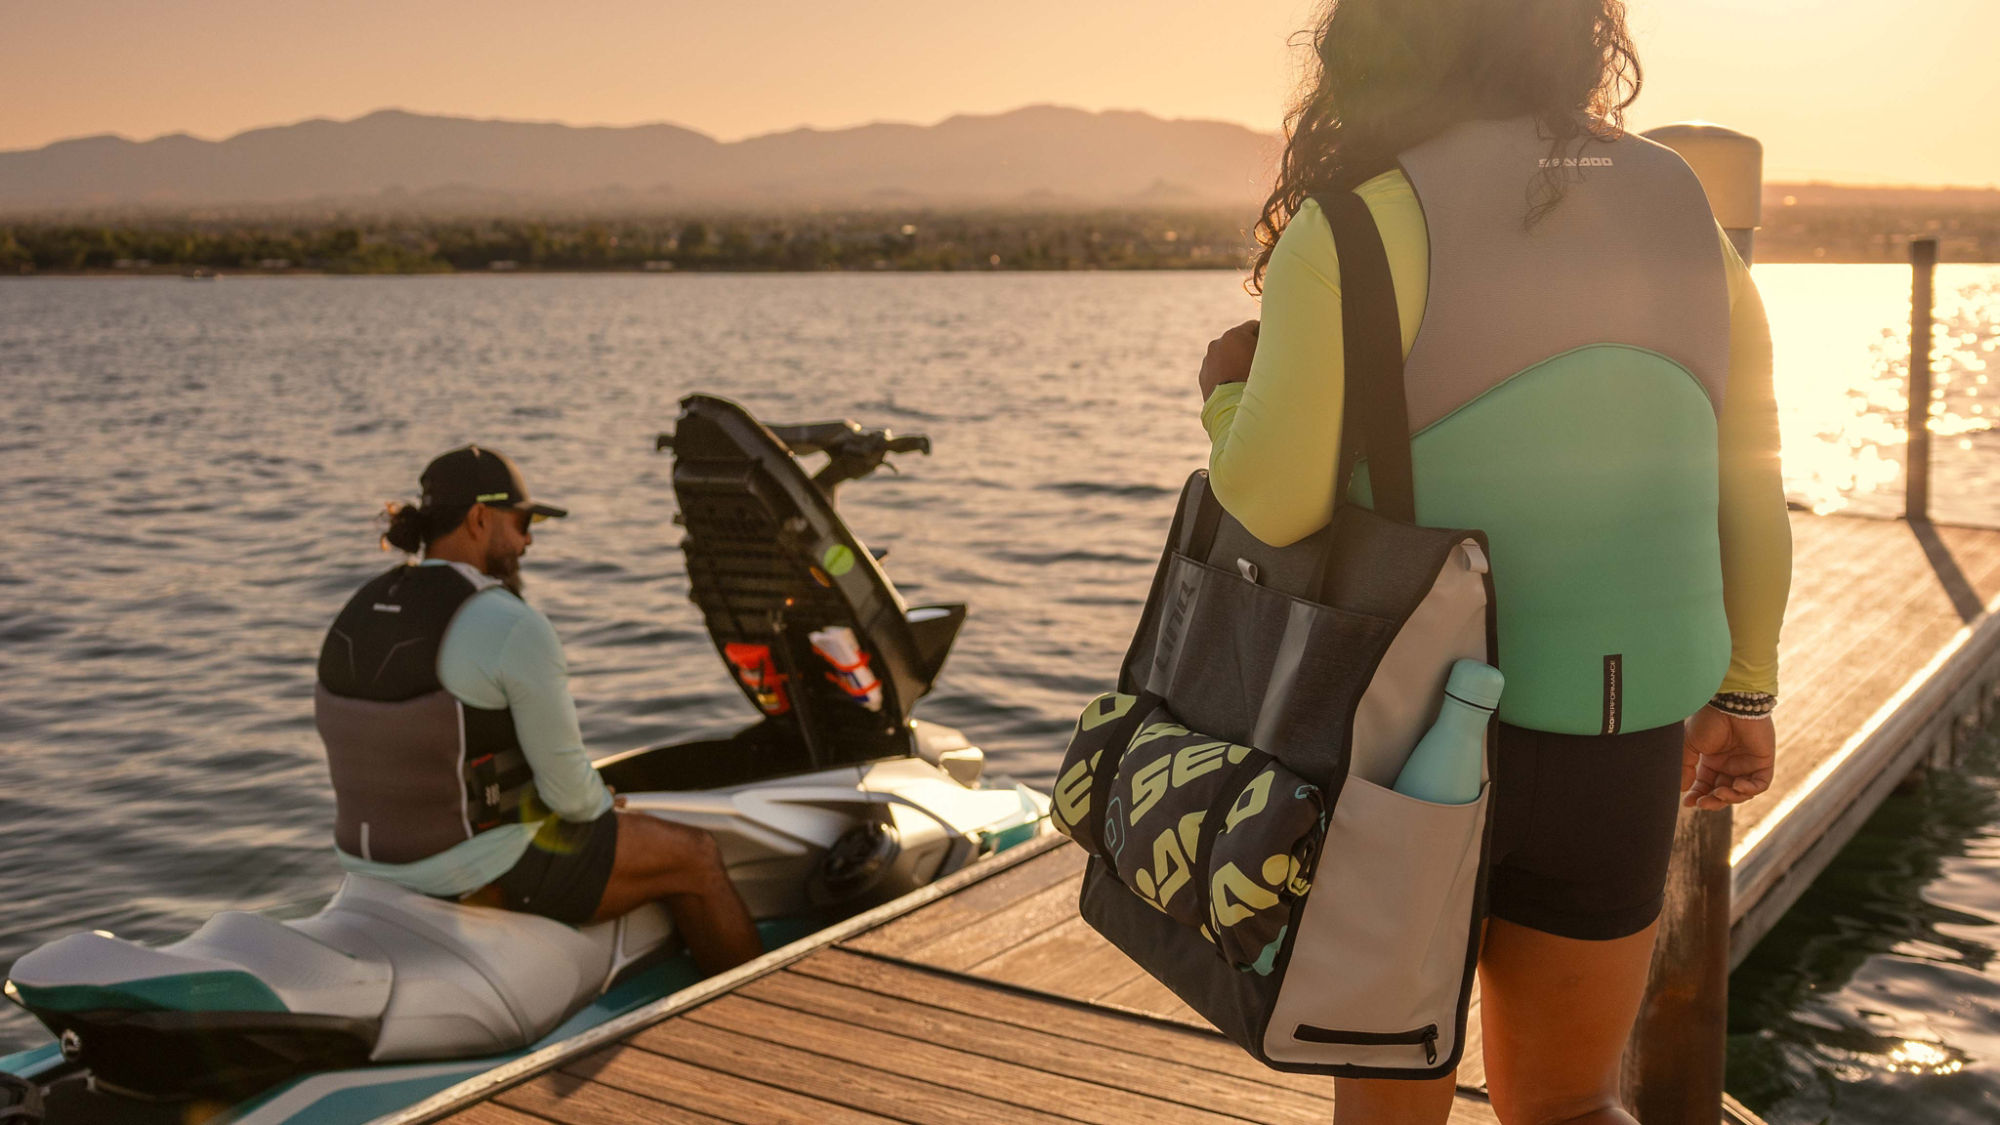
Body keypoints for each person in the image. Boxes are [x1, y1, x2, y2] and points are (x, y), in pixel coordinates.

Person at [1196, 2, 1790, 1122]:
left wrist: (1226, 392)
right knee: (1569, 1105)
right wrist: (1743, 688)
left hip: (1406, 743)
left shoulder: (1355, 224)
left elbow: (1270, 506)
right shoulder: (1683, 211)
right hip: (1620, 736)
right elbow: (1746, 480)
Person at [313, 444, 762, 974]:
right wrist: (600, 802)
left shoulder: (360, 607)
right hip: (474, 870)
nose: (528, 540)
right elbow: (573, 799)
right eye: (523, 522)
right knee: (696, 856)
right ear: (480, 518)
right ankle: (760, 1013)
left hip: (369, 867)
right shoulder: (507, 622)